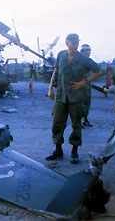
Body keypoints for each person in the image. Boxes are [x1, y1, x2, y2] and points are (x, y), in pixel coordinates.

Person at [46, 33, 102, 163]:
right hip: (61, 96)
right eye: (73, 43)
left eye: (77, 43)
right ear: (67, 43)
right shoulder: (61, 55)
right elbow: (56, 71)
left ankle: (74, 152)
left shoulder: (83, 59)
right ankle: (58, 150)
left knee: (76, 125)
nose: (75, 45)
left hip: (76, 98)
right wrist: (50, 88)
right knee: (57, 123)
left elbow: (98, 71)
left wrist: (84, 82)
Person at [80, 44, 93, 127]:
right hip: (81, 85)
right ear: (83, 51)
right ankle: (79, 121)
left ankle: (85, 119)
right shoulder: (79, 61)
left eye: (89, 51)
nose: (89, 52)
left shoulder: (89, 61)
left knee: (88, 103)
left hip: (88, 85)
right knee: (81, 104)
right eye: (87, 51)